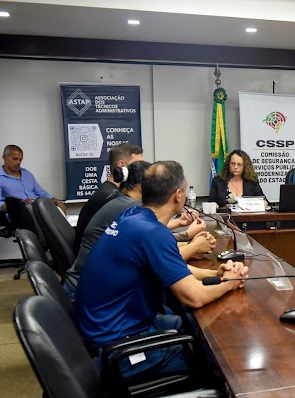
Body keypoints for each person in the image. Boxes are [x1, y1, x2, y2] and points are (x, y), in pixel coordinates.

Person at [75, 161, 249, 381]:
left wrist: (217, 275)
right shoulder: (153, 232)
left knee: (196, 326)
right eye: (185, 190)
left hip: (108, 326)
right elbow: (193, 296)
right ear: (178, 195)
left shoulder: (132, 217)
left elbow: (174, 268)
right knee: (218, 358)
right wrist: (232, 281)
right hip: (117, 344)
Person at [65, 161, 215, 293]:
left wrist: (182, 231)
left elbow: (153, 249)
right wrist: (192, 244)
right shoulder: (131, 211)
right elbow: (160, 255)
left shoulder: (128, 208)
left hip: (93, 291)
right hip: (89, 295)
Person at [74, 143, 144, 251]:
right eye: (137, 165)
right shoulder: (113, 198)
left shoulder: (108, 190)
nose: (141, 170)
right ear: (122, 166)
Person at [0, 145, 65, 213]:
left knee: (58, 215)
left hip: (37, 210)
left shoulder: (27, 174)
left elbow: (42, 193)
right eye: (15, 159)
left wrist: (57, 201)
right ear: (4, 157)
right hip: (18, 214)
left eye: (20, 160)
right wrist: (20, 204)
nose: (18, 162)